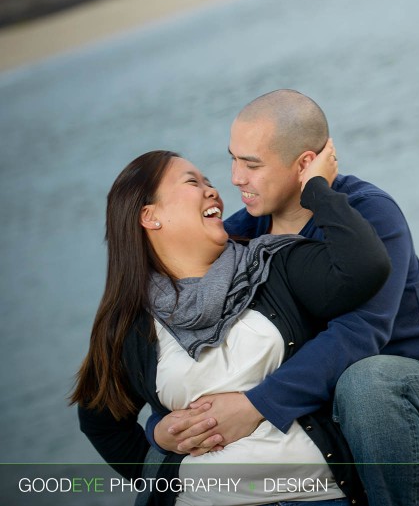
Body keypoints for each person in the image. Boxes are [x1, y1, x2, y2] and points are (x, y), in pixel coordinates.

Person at [150, 90, 419, 506]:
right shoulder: (241, 233)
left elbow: (361, 335)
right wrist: (163, 426)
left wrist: (257, 405)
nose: (235, 178)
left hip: (416, 387)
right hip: (322, 402)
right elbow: (198, 346)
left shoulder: (371, 214)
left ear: (305, 163)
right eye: (232, 158)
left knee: (366, 383)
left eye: (252, 164)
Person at [71, 142, 391, 506]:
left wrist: (316, 189)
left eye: (208, 181)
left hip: (312, 495)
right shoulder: (129, 324)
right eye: (193, 182)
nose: (213, 190)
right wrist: (161, 446)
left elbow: (364, 267)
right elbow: (101, 421)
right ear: (150, 216)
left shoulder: (272, 264)